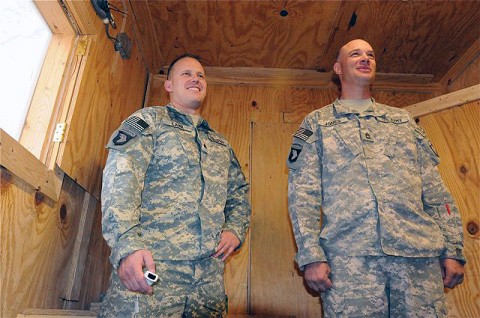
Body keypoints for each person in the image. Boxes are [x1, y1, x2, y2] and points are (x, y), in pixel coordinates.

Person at [287, 39, 465, 317]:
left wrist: (452, 249)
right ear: (338, 68)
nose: (364, 58)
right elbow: (303, 196)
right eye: (355, 54)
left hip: (417, 259)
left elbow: (435, 192)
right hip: (351, 263)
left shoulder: (404, 121)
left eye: (370, 55)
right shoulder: (316, 124)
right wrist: (311, 256)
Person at [98, 53, 251, 317]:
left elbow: (238, 194)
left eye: (201, 75)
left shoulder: (220, 144)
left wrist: (235, 230)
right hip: (154, 266)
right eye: (186, 74)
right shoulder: (149, 122)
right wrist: (126, 247)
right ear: (168, 85)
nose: (195, 79)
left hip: (208, 279)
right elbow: (121, 180)